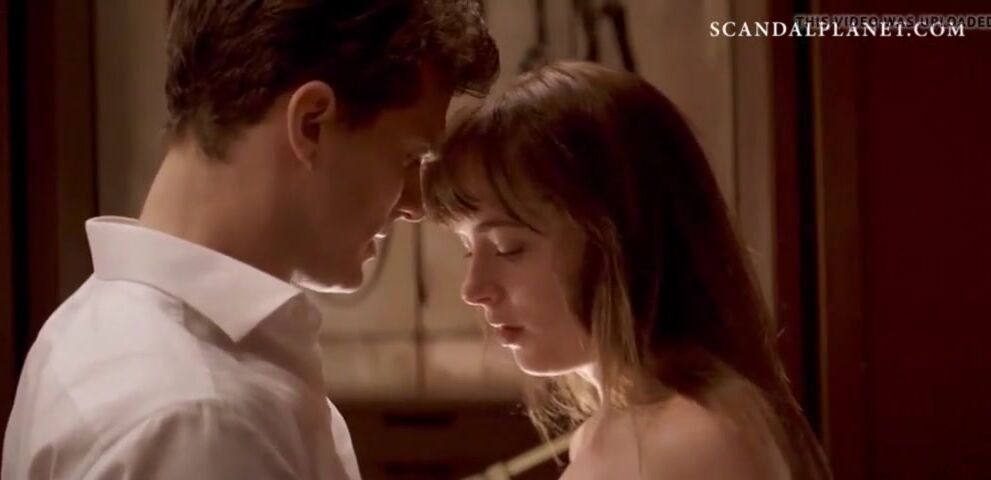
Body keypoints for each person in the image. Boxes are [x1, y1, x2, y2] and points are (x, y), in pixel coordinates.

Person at [2, 1, 498, 478]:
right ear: (311, 124)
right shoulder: (200, 420)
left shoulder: (87, 325)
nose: (414, 204)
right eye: (408, 158)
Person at [422, 61, 832, 479]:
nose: (474, 288)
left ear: (621, 241)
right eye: (468, 250)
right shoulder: (608, 433)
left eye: (508, 248)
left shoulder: (693, 440)